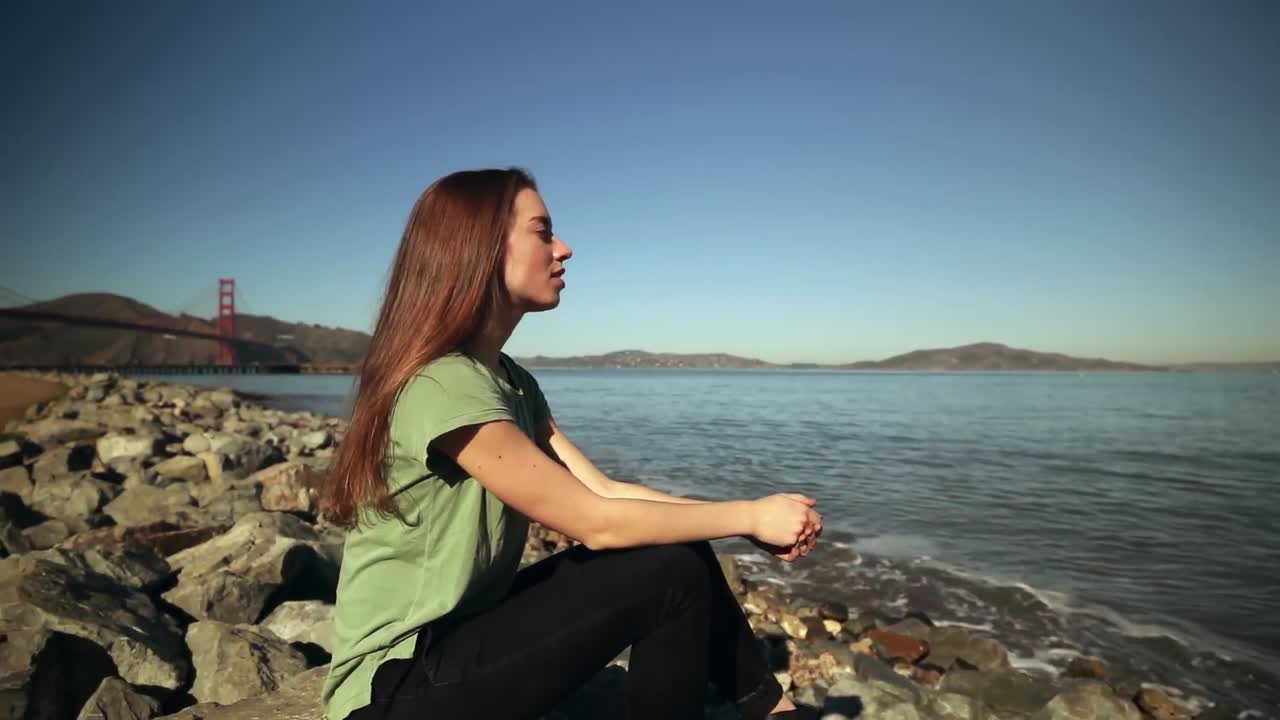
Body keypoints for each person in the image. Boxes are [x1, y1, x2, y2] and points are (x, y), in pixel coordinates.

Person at [318, 168, 824, 720]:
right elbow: (596, 522)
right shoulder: (443, 383)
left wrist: (745, 524)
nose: (565, 248)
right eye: (543, 231)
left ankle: (770, 707)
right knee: (668, 574)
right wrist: (748, 515)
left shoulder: (509, 380)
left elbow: (605, 490)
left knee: (678, 546)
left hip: (460, 640)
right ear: (481, 247)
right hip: (391, 687)